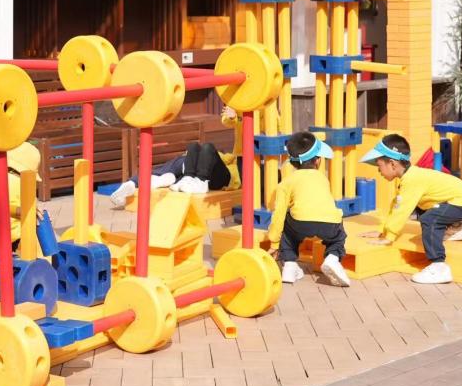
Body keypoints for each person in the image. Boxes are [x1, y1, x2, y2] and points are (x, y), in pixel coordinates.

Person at [360, 134, 462, 285]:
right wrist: (384, 231)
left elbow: (402, 211)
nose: (378, 171)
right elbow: (397, 205)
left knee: (430, 219)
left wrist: (389, 237)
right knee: (424, 208)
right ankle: (456, 229)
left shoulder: (412, 180)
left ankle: (439, 267)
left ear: (392, 164)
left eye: (379, 166)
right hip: (460, 201)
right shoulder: (411, 176)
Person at [109, 107, 242, 208]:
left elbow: (226, 159)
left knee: (204, 148)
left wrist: (236, 118)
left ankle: (137, 181)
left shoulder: (233, 161)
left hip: (213, 177)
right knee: (193, 147)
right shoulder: (213, 155)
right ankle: (175, 178)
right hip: (191, 170)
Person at [267, 131, 350, 287]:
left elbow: (278, 214)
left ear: (292, 162)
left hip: (301, 223)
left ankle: (289, 266)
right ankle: (332, 258)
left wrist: (274, 243)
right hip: (329, 223)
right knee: (338, 237)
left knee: (287, 231)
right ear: (317, 160)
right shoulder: (323, 178)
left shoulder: (286, 182)